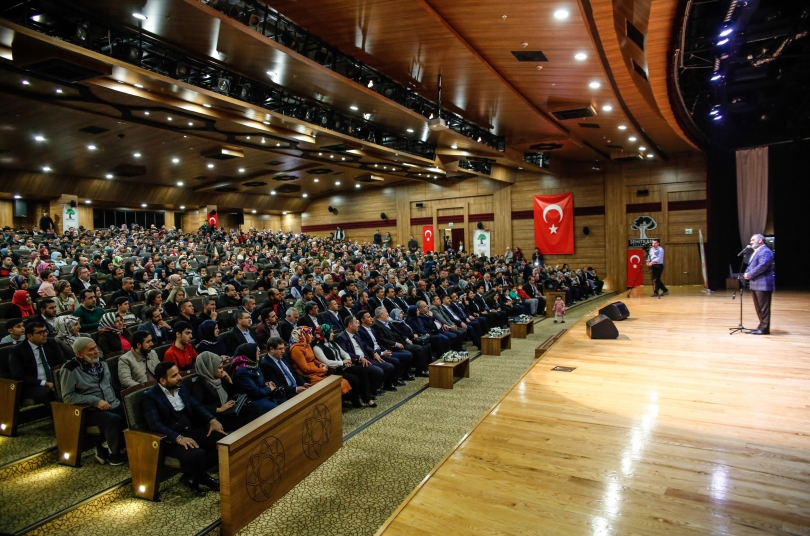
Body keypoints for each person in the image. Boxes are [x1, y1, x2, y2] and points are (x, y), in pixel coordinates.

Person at [141, 361, 226, 496]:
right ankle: (204, 478)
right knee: (195, 454)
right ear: (163, 380)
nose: (180, 377)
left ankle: (190, 476)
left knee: (223, 441)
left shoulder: (181, 388)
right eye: (174, 376)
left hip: (190, 429)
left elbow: (196, 405)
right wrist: (178, 438)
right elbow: (155, 424)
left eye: (178, 374)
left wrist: (212, 419)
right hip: (171, 439)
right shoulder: (150, 396)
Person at [60, 337, 128, 466]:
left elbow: (108, 385)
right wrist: (95, 401)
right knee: (113, 420)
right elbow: (68, 397)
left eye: (96, 347)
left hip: (111, 402)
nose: (96, 351)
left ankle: (105, 445)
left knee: (132, 412)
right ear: (79, 354)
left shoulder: (101, 363)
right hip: (89, 409)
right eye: (91, 350)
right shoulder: (70, 369)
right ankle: (114, 455)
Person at [190, 351, 256, 432]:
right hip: (216, 416)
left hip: (229, 410)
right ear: (210, 368)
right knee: (242, 420)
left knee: (253, 409)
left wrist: (229, 380)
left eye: (222, 367)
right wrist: (218, 409)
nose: (222, 370)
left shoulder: (220, 378)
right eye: (219, 368)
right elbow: (197, 407)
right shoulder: (199, 385)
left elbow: (233, 394)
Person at [8, 322, 66, 406]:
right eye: (40, 333)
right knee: (50, 394)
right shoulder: (17, 351)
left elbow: (62, 362)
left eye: (45, 331)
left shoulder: (51, 342)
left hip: (55, 380)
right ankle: (61, 417)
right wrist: (45, 383)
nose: (45, 334)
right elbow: (18, 375)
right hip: (33, 384)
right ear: (29, 336)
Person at [288, 325, 352, 397]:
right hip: (310, 377)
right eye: (309, 334)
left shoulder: (306, 344)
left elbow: (312, 359)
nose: (312, 336)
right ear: (302, 335)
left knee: (343, 381)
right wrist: (321, 369)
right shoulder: (296, 349)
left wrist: (320, 364)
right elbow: (305, 369)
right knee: (338, 384)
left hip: (317, 372)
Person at [231, 343, 283, 415]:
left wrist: (266, 384)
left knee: (284, 399)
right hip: (252, 401)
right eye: (256, 350)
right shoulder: (241, 372)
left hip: (262, 396)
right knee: (278, 410)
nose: (259, 352)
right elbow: (254, 392)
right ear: (249, 352)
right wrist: (269, 389)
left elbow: (258, 382)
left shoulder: (254, 364)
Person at [743, 234, 775, 335]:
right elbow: (751, 265)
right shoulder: (757, 251)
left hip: (763, 284)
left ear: (760, 240)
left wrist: (750, 274)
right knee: (758, 308)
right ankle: (761, 326)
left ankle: (764, 328)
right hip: (756, 284)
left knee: (764, 308)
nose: (751, 242)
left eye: (753, 240)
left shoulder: (765, 251)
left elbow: (763, 266)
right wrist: (746, 273)